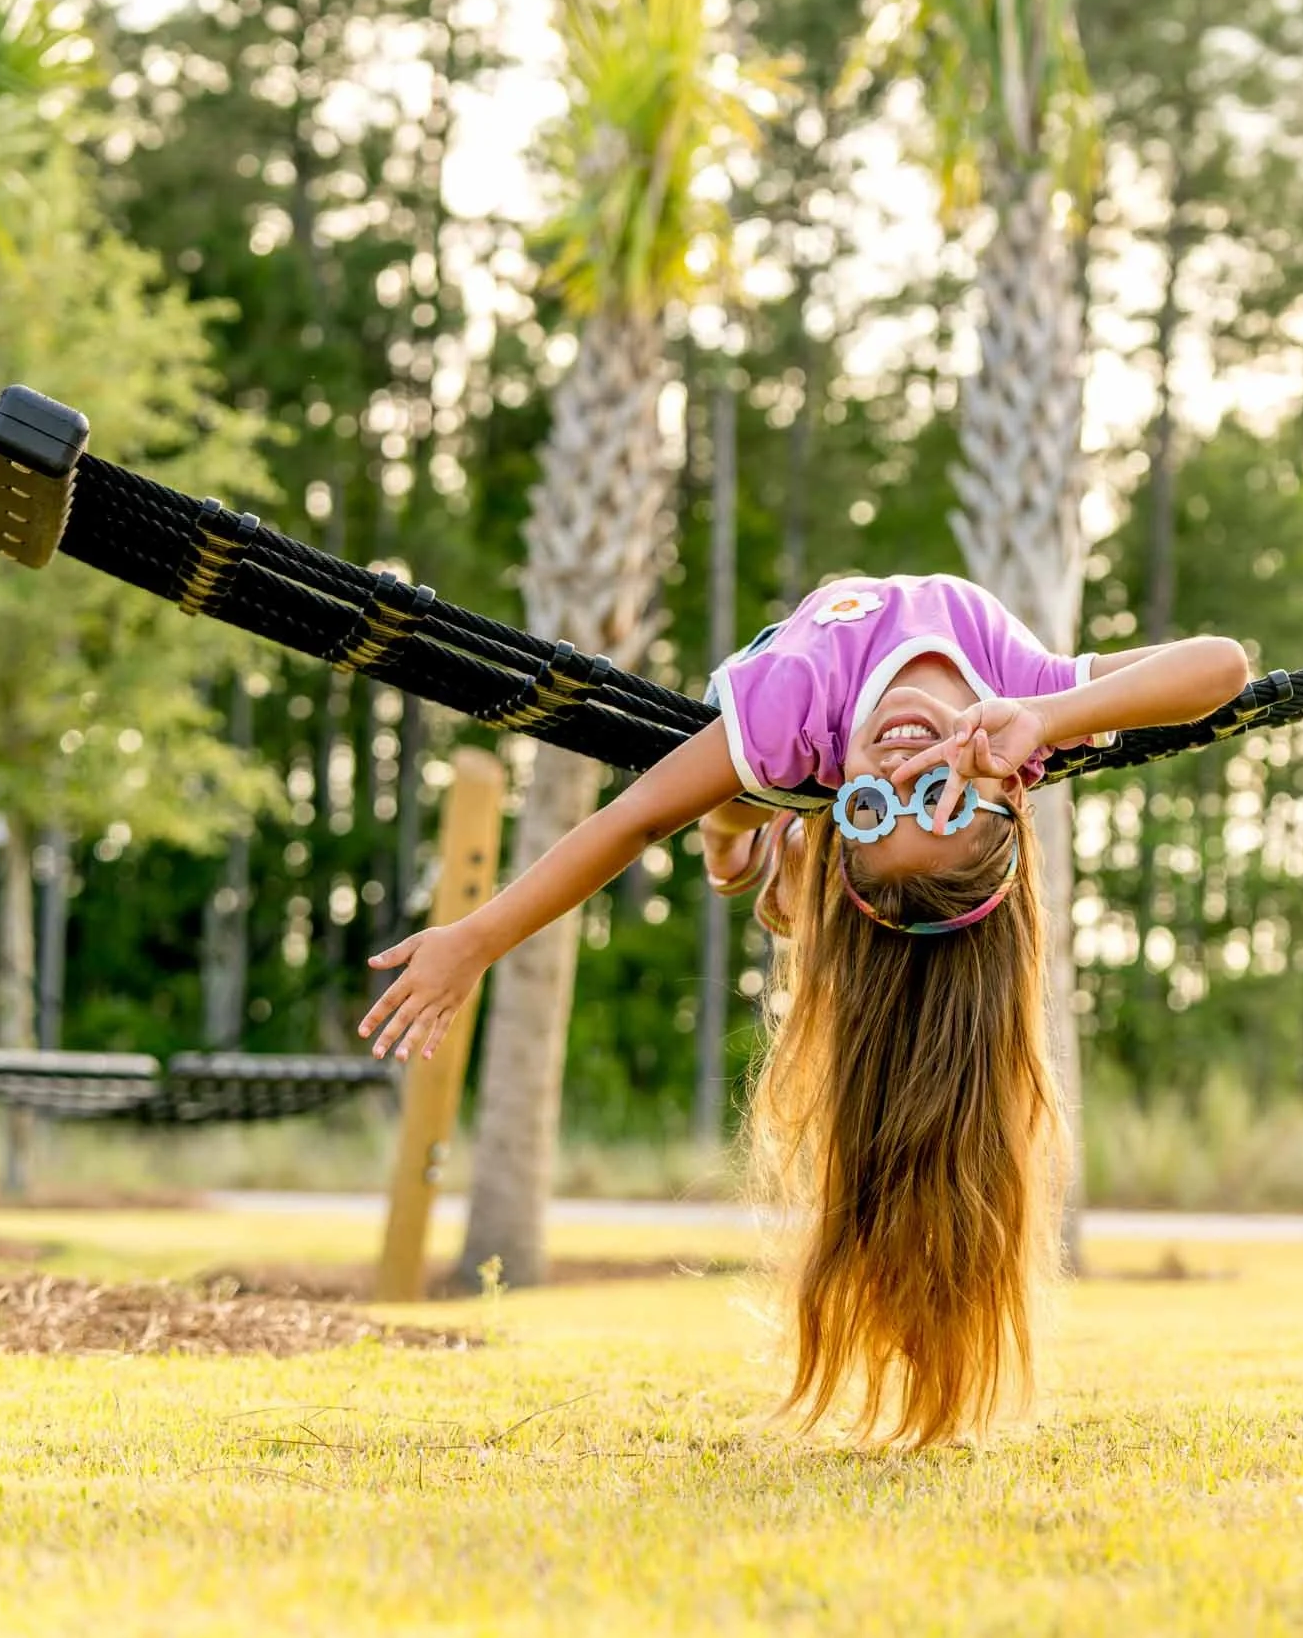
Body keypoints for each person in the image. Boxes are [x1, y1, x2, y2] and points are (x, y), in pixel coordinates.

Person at [361, 573, 1249, 1444]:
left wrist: (473, 938)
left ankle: (755, 850)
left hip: (771, 714)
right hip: (846, 714)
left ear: (841, 803)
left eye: (868, 809)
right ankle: (771, 864)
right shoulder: (1025, 698)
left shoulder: (802, 714)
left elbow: (634, 817)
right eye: (935, 800)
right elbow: (1221, 667)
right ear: (1011, 789)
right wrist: (1048, 718)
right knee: (765, 807)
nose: (900, 770)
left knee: (734, 797)